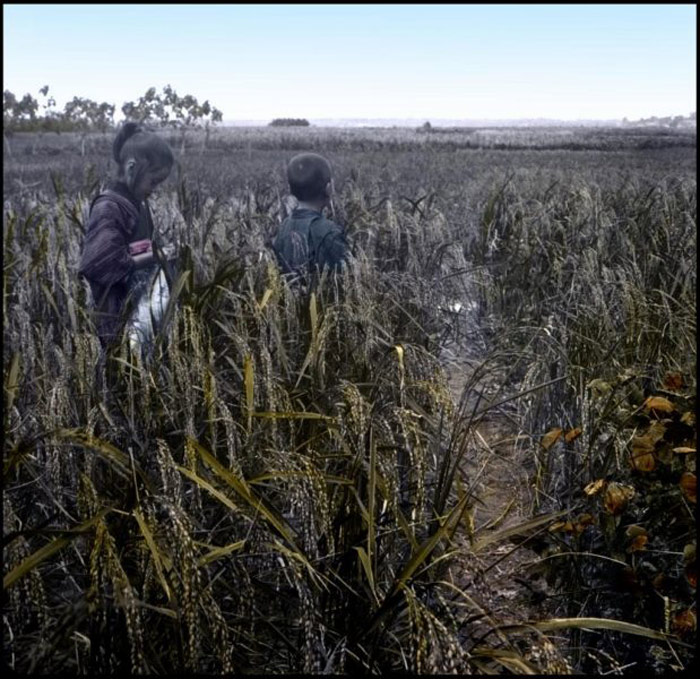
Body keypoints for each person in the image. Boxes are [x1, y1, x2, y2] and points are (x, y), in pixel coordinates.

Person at [79, 122, 175, 352]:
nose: (155, 189)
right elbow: (100, 264)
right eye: (153, 181)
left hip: (141, 314)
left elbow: (141, 246)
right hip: (117, 319)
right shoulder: (109, 207)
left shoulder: (138, 204)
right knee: (122, 375)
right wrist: (156, 256)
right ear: (132, 167)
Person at [271, 153, 349, 283]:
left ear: (291, 190)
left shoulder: (283, 226)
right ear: (329, 189)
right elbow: (346, 279)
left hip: (287, 300)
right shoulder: (330, 233)